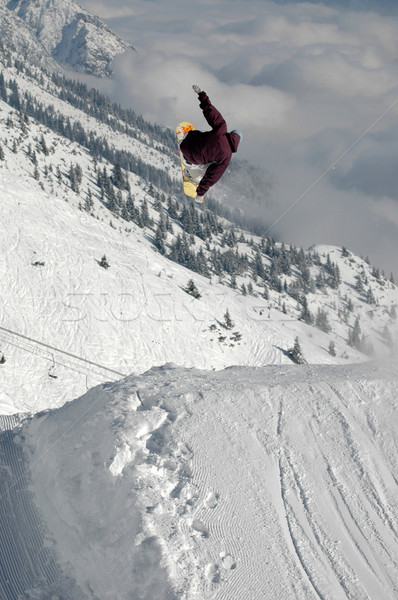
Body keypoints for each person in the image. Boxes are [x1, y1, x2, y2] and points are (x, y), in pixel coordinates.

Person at [180, 85, 242, 201]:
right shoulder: (227, 157)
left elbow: (210, 111)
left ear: (231, 134)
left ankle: (186, 140)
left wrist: (201, 94)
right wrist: (200, 193)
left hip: (186, 143)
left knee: (201, 134)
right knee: (212, 166)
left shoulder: (222, 128)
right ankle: (193, 174)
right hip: (194, 159)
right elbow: (212, 176)